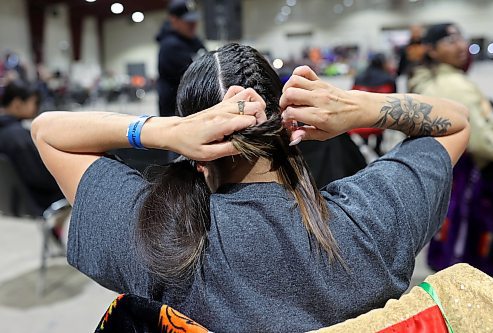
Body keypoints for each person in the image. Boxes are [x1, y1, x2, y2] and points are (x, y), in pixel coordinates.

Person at [32, 43, 469, 332]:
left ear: (195, 145)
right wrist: (359, 106)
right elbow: (454, 124)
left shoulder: (155, 238)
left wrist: (162, 131)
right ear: (288, 125)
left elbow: (48, 131)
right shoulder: (372, 218)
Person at [408, 23, 493, 276]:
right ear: (432, 51)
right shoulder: (451, 84)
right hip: (470, 173)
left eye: (460, 38)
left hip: (449, 172)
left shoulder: (434, 78)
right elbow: (481, 141)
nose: (460, 45)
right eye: (449, 41)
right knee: (465, 250)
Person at [0, 81, 63, 212]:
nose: (37, 108)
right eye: (34, 103)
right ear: (17, 104)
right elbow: (42, 179)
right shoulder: (17, 137)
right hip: (42, 201)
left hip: (17, 200)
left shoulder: (9, 132)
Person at [156, 0, 205, 117]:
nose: (193, 24)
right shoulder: (170, 46)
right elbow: (197, 77)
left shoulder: (194, 40)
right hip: (176, 113)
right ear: (174, 20)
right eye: (188, 21)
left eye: (194, 20)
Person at [351, 53, 397, 155]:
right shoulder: (388, 79)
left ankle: (366, 150)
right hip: (380, 119)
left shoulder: (359, 77)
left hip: (360, 119)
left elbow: (352, 96)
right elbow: (394, 101)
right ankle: (376, 150)